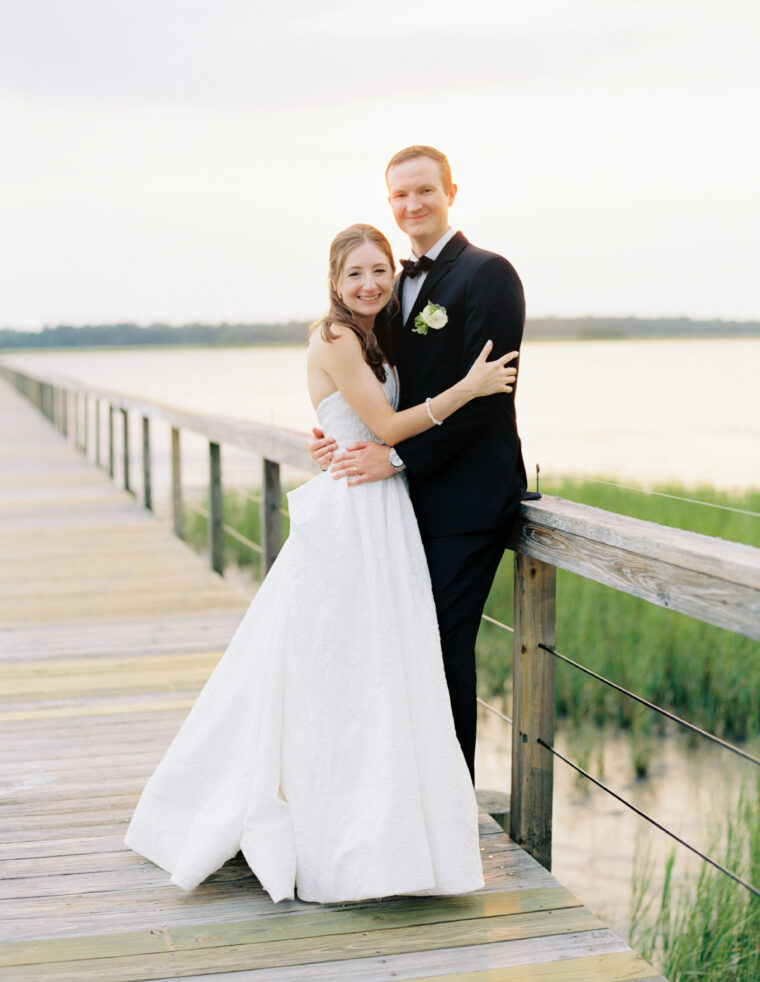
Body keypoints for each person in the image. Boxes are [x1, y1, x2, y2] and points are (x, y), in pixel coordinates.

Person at [124, 223, 518, 905]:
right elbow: (390, 429)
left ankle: (388, 828)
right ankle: (321, 824)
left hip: (383, 506)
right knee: (331, 663)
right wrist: (472, 387)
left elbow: (373, 417)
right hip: (356, 510)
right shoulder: (334, 338)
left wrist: (340, 434)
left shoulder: (375, 334)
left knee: (377, 665)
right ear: (333, 283)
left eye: (378, 272)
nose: (368, 284)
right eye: (353, 274)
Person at [311, 146, 529, 781]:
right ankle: (406, 791)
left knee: (441, 648)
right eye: (400, 195)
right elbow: (377, 392)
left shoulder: (488, 274)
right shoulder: (394, 286)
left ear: (451, 191)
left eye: (424, 191)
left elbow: (490, 398)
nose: (413, 205)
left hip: (466, 502)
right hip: (404, 505)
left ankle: (452, 798)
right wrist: (331, 433)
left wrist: (396, 458)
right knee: (400, 646)